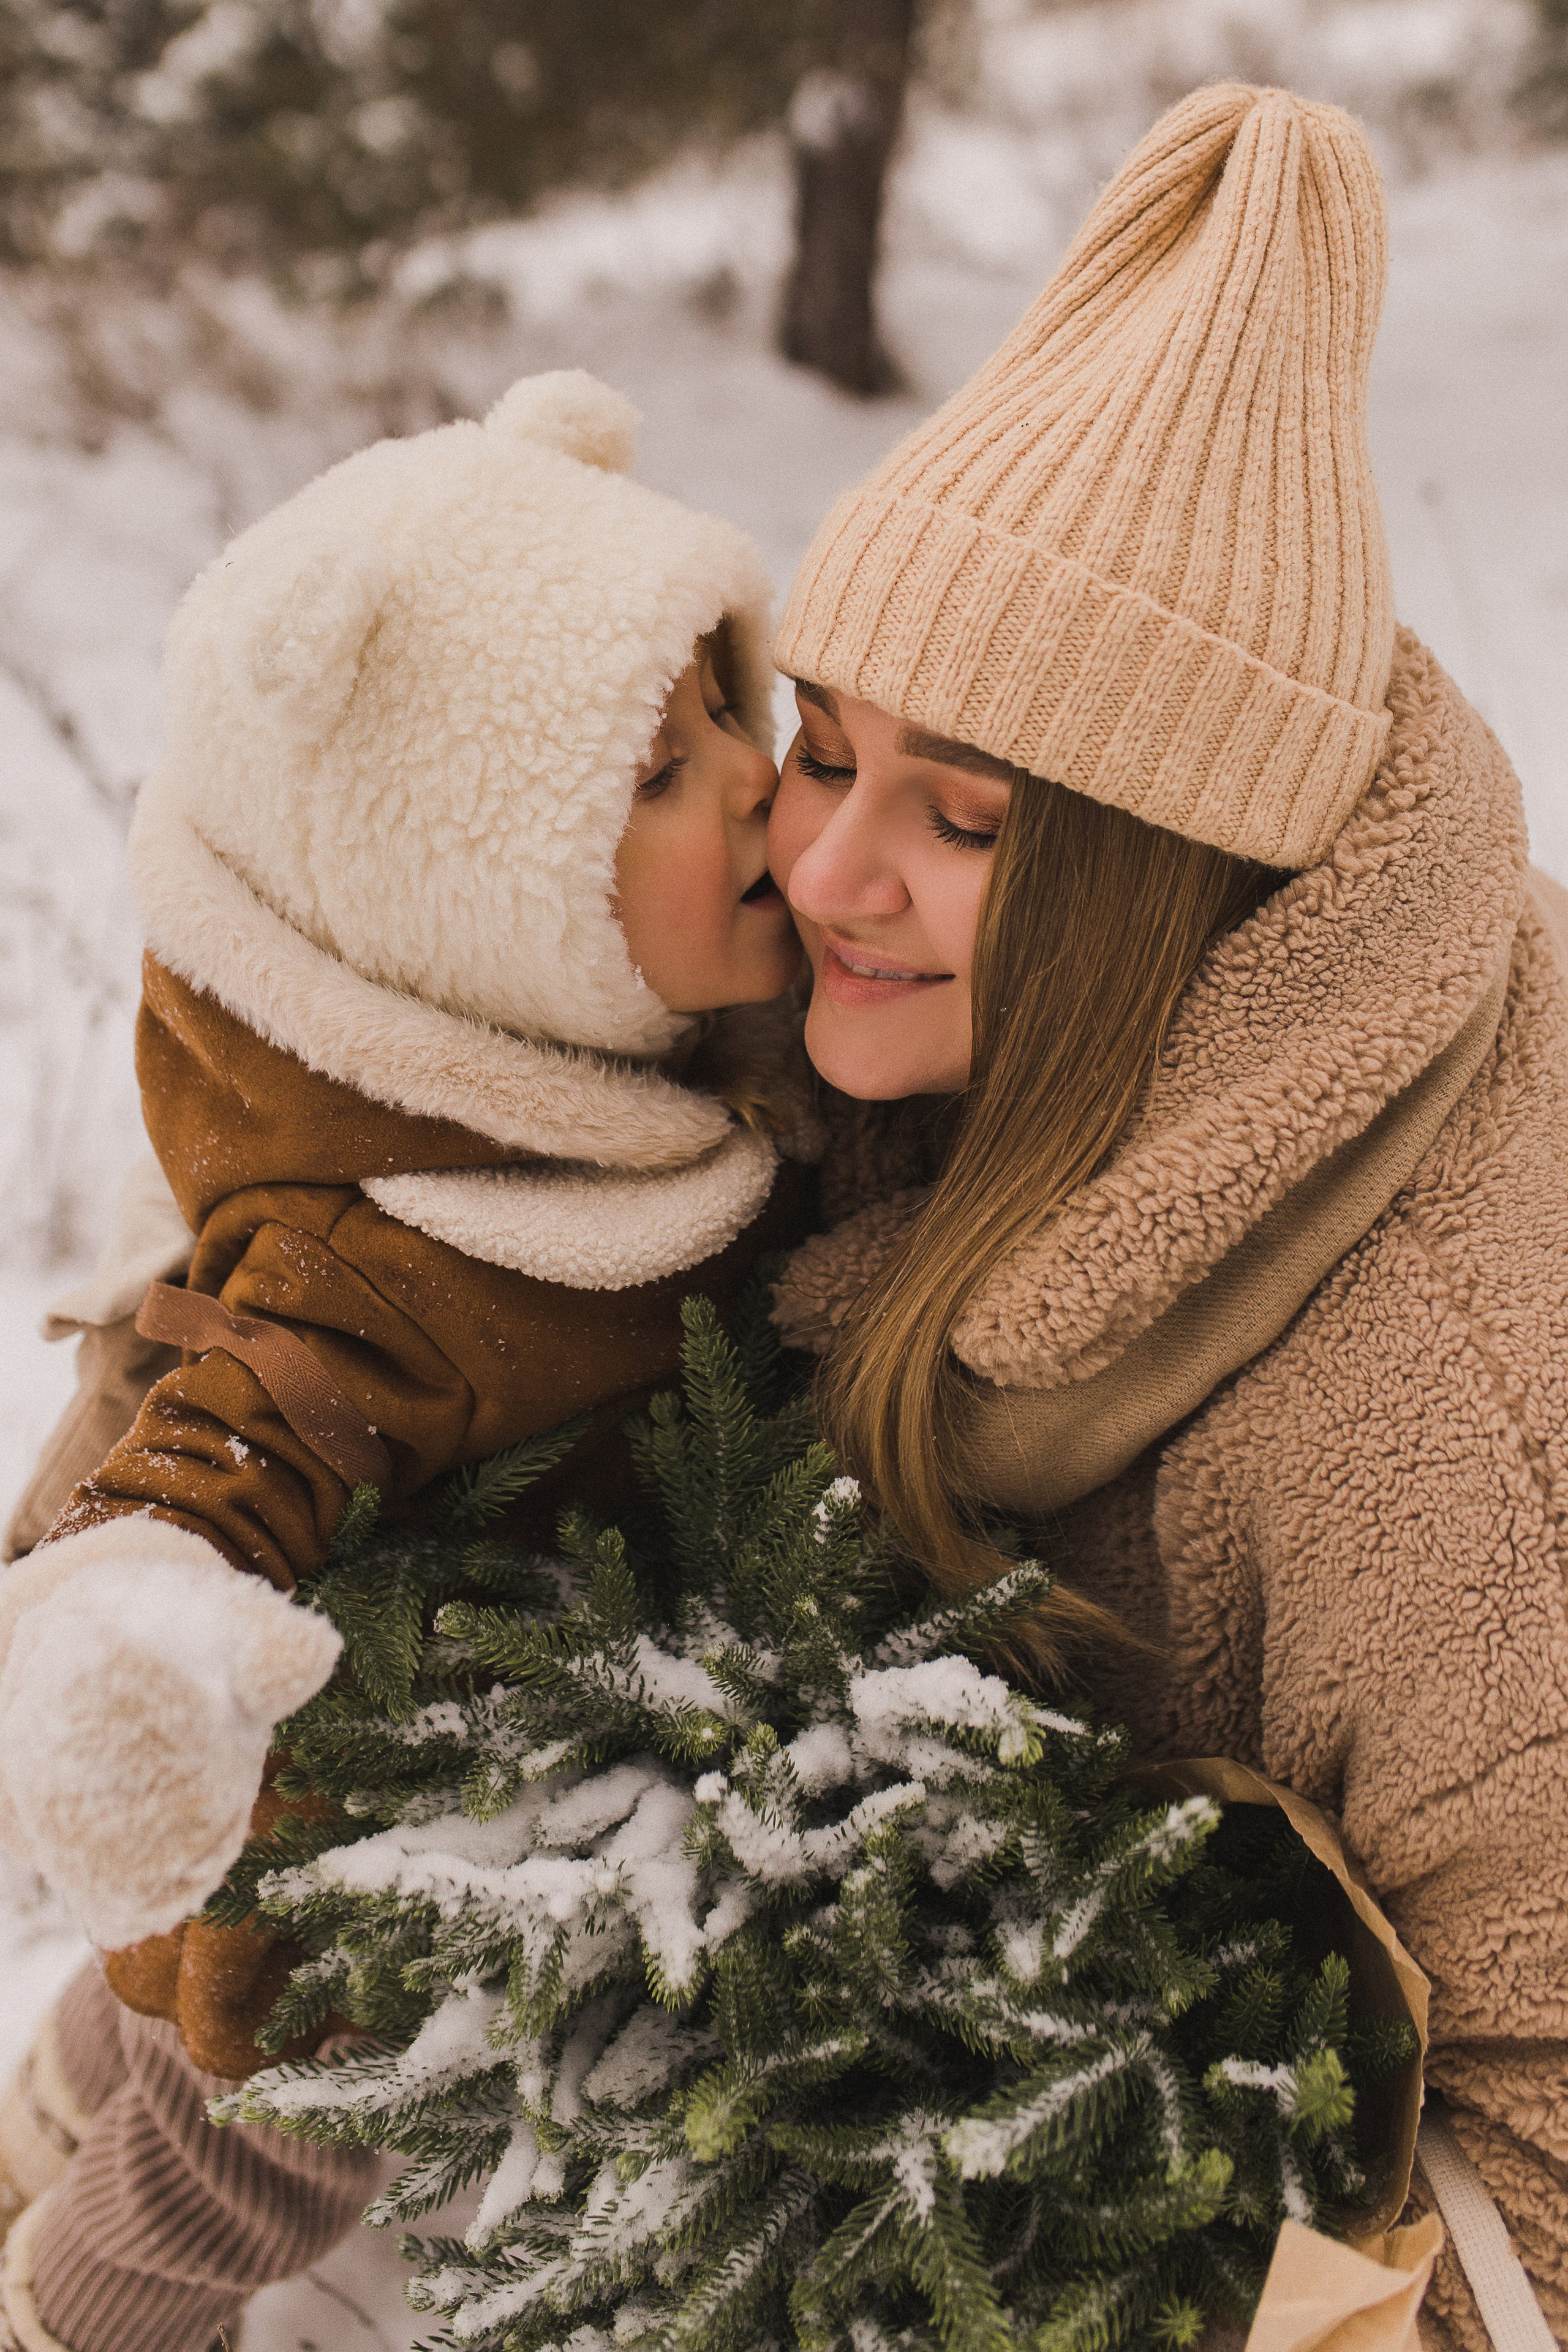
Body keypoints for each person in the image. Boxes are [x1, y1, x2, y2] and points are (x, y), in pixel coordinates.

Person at [769, 83, 1568, 2352]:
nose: (827, 872)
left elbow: (1553, 2154)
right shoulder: (878, 1039)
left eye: (967, 820)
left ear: (1165, 882)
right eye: (824, 749)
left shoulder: (1433, 1423)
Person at [0, 367, 812, 2352]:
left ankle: (33, 2125)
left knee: (130, 2039)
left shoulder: (597, 1102)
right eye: (656, 774)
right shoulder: (393, 1258)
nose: (754, 779)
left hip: (440, 1800)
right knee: (240, 2165)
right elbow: (214, 1461)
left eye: (730, 709)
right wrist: (139, 1629)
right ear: (473, 903)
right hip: (347, 1872)